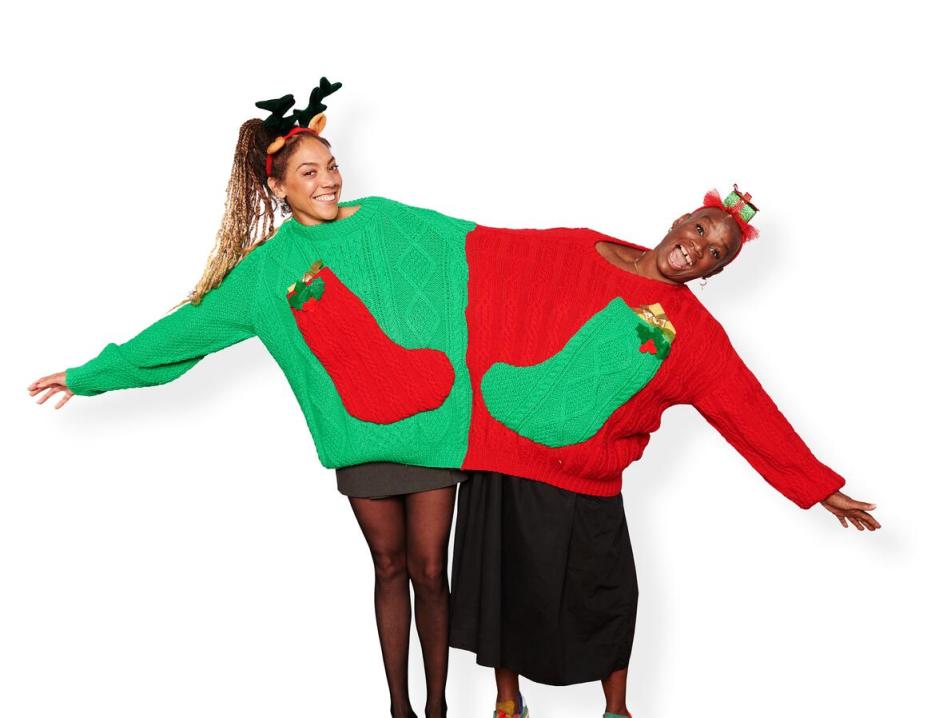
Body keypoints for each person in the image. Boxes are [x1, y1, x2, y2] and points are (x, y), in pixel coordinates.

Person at [27, 79, 474, 718]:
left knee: (432, 571)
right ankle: (400, 709)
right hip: (360, 439)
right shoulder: (266, 273)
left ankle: (438, 707)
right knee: (389, 567)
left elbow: (481, 250)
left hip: (432, 426)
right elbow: (186, 331)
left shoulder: (388, 221)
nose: (328, 181)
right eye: (310, 172)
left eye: (333, 166)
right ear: (278, 188)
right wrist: (90, 374)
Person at [445, 187, 881, 718]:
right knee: (505, 581)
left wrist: (820, 488)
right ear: (680, 220)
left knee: (608, 594)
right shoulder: (583, 247)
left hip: (588, 477)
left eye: (716, 253)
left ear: (712, 274)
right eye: (700, 230)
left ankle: (617, 710)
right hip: (508, 450)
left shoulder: (693, 334)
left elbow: (749, 411)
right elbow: (489, 250)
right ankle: (508, 700)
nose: (700, 249)